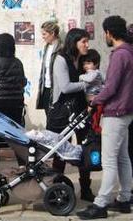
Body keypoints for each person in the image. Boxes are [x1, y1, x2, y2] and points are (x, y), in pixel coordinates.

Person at [78, 16, 133, 219]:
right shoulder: (130, 52)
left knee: (109, 160)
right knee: (123, 157)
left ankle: (101, 204)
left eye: (105, 33)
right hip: (127, 111)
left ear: (109, 32)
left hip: (115, 112)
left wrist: (94, 101)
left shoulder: (119, 55)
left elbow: (111, 87)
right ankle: (125, 198)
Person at [48, 28, 94, 201]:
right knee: (60, 151)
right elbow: (66, 87)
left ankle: (86, 189)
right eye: (84, 41)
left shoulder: (82, 59)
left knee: (85, 148)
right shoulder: (61, 59)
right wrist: (86, 83)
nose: (86, 45)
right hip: (62, 111)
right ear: (74, 42)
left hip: (80, 109)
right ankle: (56, 189)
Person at [0, 33, 27, 176]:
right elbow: (23, 82)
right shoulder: (18, 62)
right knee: (16, 134)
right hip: (16, 103)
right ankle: (22, 165)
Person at [37, 20, 62, 111]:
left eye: (44, 34)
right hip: (46, 87)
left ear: (52, 33)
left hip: (56, 88)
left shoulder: (61, 48)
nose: (43, 37)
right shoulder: (46, 47)